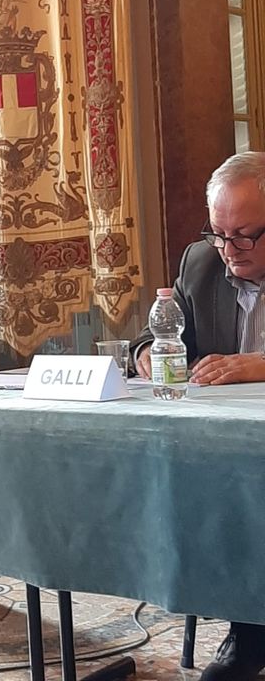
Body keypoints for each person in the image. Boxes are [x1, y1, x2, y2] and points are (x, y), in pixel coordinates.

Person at [132, 151, 265, 680]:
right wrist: (147, 352)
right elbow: (156, 333)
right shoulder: (202, 263)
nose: (229, 250)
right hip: (227, 452)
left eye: (244, 237)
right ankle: (247, 628)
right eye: (219, 234)